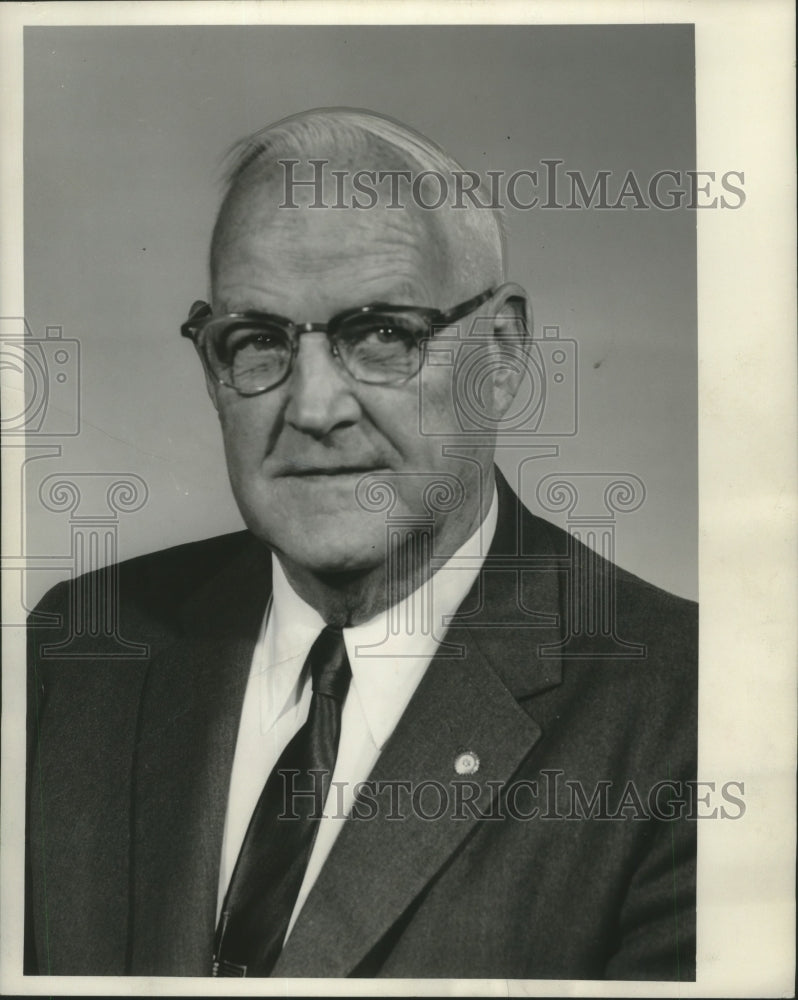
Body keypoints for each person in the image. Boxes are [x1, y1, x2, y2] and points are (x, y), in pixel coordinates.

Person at [25, 107, 697, 980]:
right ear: (213, 370)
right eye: (259, 340)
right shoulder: (78, 650)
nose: (312, 408)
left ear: (500, 349)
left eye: (381, 333)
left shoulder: (691, 717)